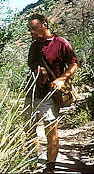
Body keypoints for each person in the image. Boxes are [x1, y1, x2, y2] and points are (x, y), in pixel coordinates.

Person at [24, 13, 78, 174]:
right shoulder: (34, 46)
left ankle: (50, 168)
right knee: (29, 130)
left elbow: (74, 63)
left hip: (50, 95)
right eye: (29, 29)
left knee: (50, 131)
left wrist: (62, 78)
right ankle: (32, 163)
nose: (31, 32)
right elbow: (32, 66)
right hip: (32, 93)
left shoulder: (60, 43)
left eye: (33, 28)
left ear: (44, 25)